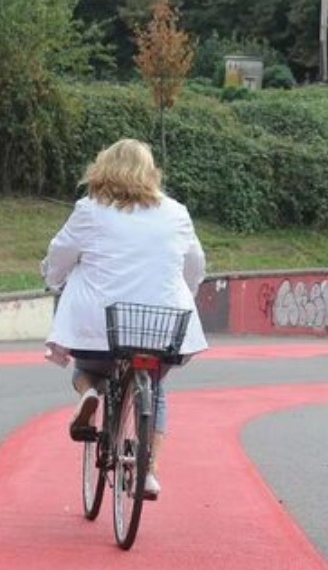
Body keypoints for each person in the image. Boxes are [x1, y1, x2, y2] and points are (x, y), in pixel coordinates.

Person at [41, 138, 208, 499]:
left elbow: (61, 254)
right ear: (150, 173)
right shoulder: (177, 212)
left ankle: (90, 396)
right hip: (161, 325)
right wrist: (187, 294)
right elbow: (195, 264)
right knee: (156, 386)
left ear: (102, 169)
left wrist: (52, 278)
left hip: (101, 327)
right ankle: (148, 471)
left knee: (87, 370)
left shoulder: (90, 210)